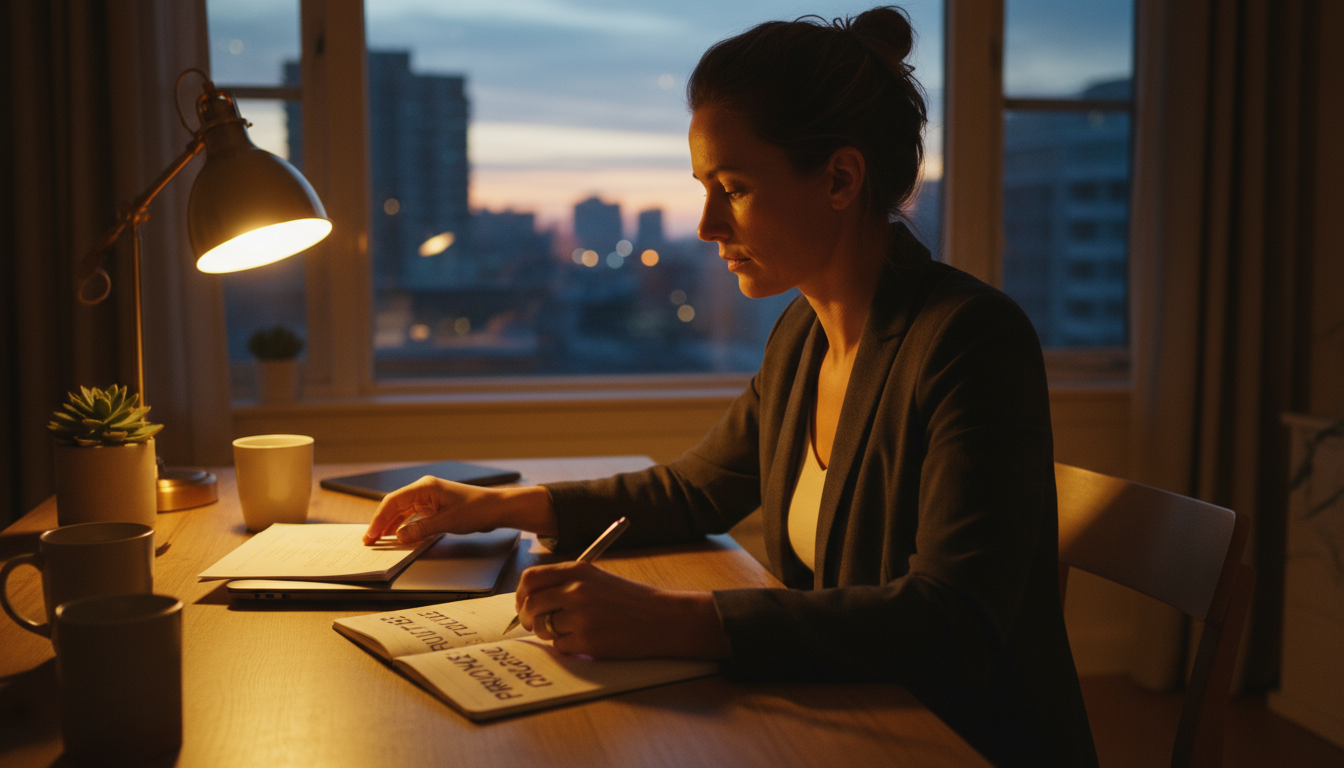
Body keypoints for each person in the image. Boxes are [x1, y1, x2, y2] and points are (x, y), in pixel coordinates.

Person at [363, 7, 1098, 766]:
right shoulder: (804, 336)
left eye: (734, 187)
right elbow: (696, 492)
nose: (708, 223)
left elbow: (953, 623)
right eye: (703, 187)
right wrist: (495, 506)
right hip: (843, 714)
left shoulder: (970, 340)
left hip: (949, 742)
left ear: (841, 178)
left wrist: (677, 619)